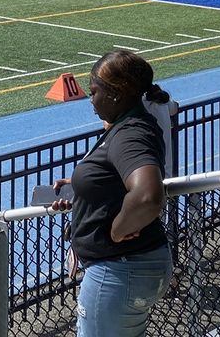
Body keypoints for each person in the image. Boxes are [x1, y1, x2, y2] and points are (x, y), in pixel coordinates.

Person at [53, 50, 172, 337]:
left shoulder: (130, 133)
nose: (91, 100)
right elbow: (117, 182)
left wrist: (117, 231)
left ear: (116, 94)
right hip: (130, 266)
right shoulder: (130, 126)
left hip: (120, 268)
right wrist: (83, 191)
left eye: (94, 91)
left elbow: (147, 196)